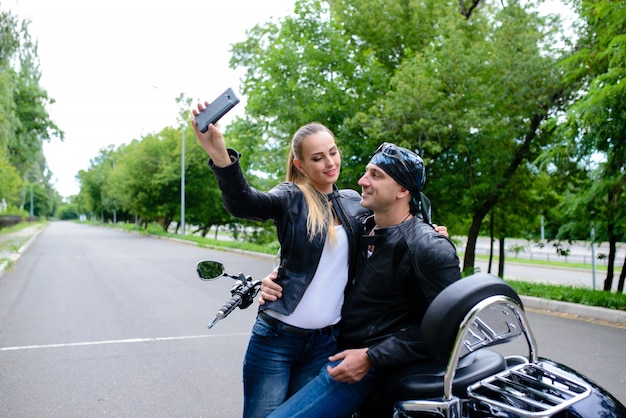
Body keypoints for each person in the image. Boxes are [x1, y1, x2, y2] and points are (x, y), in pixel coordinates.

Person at [191, 107, 370, 418]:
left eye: (333, 152)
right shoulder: (290, 197)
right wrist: (220, 154)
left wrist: (430, 232)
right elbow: (245, 202)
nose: (330, 163)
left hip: (324, 342)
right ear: (300, 164)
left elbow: (393, 232)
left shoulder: (355, 204)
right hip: (277, 340)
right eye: (318, 158)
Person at [261, 142, 462, 418]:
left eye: (376, 175)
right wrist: (275, 279)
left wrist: (371, 357)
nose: (362, 181)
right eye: (367, 172)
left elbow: (446, 328)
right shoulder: (360, 226)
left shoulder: (429, 247)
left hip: (360, 367)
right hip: (322, 346)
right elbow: (314, 264)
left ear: (403, 190)